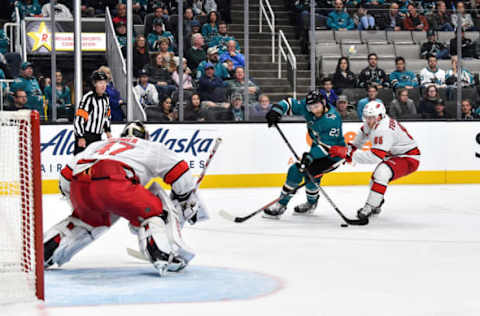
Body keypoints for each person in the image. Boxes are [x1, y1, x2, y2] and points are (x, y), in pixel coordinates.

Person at [45, 121, 206, 275]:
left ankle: (46, 249)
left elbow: (66, 176)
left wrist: (78, 203)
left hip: (80, 185)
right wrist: (184, 198)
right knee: (157, 208)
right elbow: (179, 170)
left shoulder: (99, 145)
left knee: (87, 223)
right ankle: (162, 253)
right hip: (115, 181)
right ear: (145, 136)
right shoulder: (148, 146)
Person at [328, 101, 420, 220]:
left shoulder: (384, 129)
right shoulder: (372, 122)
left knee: (382, 173)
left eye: (372, 118)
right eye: (366, 117)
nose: (369, 121)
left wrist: (349, 154)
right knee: (375, 180)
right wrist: (349, 150)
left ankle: (370, 207)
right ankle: (376, 203)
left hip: (408, 158)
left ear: (380, 116)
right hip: (394, 155)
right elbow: (358, 141)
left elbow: (375, 157)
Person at [263, 91, 346, 218]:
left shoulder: (332, 119)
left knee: (306, 172)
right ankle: (295, 204)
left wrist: (310, 156)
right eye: (311, 107)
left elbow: (327, 147)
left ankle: (296, 204)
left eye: (316, 107)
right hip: (317, 149)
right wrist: (276, 110)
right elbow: (289, 103)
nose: (313, 110)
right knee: (302, 173)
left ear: (324, 103)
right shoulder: (308, 107)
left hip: (333, 156)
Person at [73, 71, 112, 155]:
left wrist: (108, 131)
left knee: (95, 162)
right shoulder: (88, 98)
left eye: (105, 83)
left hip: (97, 136)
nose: (103, 85)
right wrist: (80, 137)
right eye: (100, 83)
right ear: (94, 84)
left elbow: (106, 117)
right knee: (81, 163)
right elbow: (79, 119)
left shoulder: (106, 98)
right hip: (86, 136)